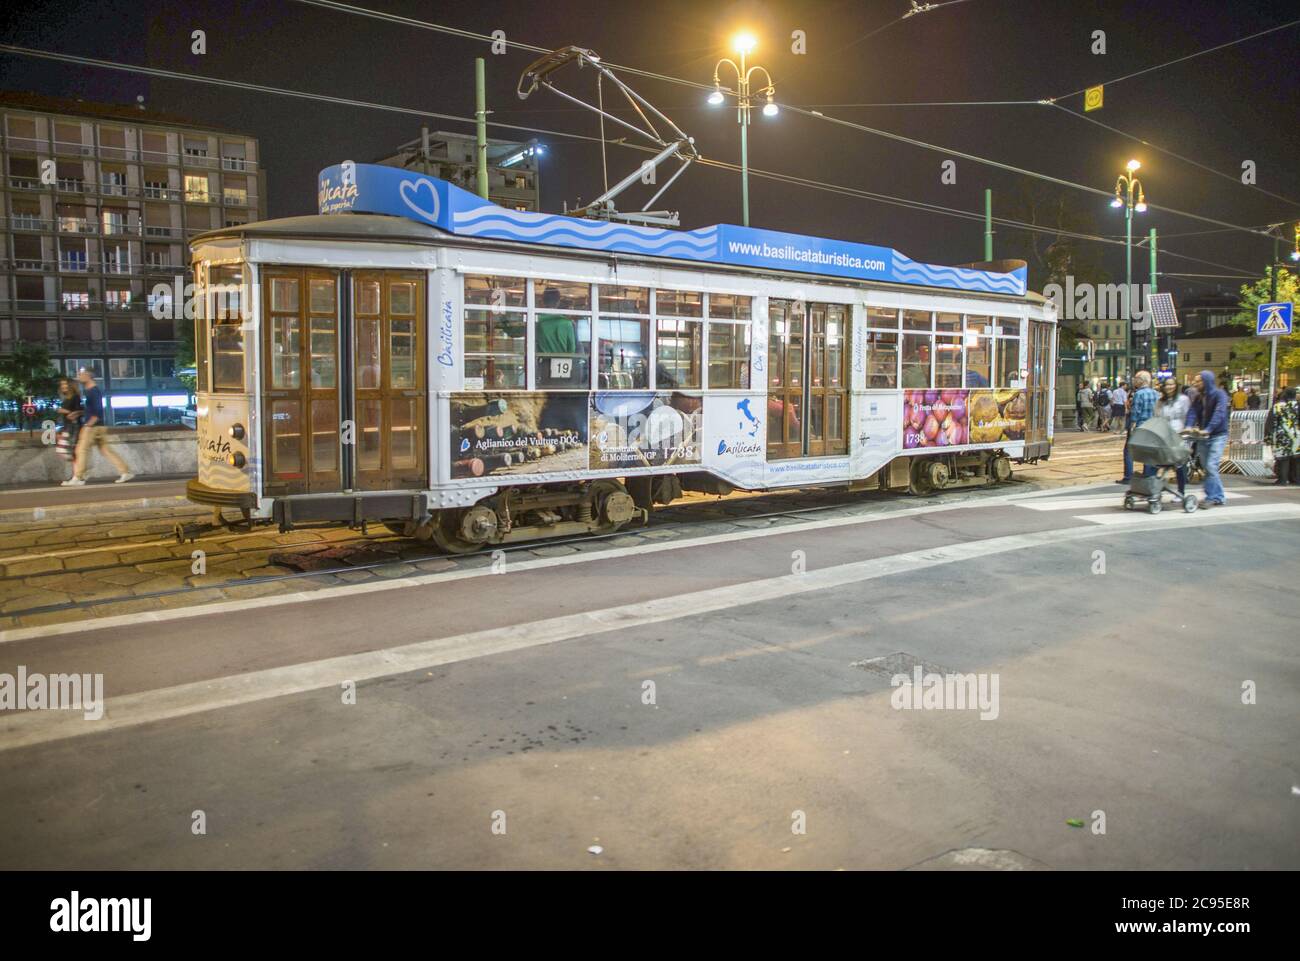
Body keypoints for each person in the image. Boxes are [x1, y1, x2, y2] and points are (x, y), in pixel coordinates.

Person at [66, 368, 133, 485]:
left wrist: (88, 425)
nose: (78, 376)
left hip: (93, 426)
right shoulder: (90, 390)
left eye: (80, 374)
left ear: (88, 375)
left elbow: (97, 411)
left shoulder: (93, 391)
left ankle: (78, 477)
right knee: (106, 450)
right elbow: (91, 410)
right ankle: (125, 472)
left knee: (80, 450)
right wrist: (79, 413)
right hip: (99, 426)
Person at [1187, 369, 1230, 508]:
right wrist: (1188, 425)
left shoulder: (1219, 394)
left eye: (1199, 381)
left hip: (1217, 435)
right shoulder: (1199, 397)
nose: (1196, 383)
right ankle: (1218, 496)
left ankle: (1212, 496)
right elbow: (1193, 411)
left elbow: (1220, 413)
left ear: (1207, 381)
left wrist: (1208, 429)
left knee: (1211, 466)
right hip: (1203, 436)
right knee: (1207, 467)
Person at [1119, 370, 1159, 483]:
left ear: (1141, 381)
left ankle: (1128, 477)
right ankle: (1147, 476)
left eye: (1136, 378)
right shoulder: (1156, 393)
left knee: (1128, 451)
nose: (1134, 380)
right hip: (1152, 427)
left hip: (1140, 427)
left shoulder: (1139, 394)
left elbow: (1135, 413)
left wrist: (1131, 427)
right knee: (1148, 452)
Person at [1155, 374, 1191, 495]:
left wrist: (1187, 433)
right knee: (1162, 463)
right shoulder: (1160, 401)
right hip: (1165, 436)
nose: (1169, 387)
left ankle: (1181, 491)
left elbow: (1188, 417)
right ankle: (1157, 488)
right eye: (1167, 385)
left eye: (1172, 384)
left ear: (1176, 386)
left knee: (1179, 466)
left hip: (1180, 436)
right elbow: (1158, 417)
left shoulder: (1183, 399)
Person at [1265, 387, 1299, 485]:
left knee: (1283, 459)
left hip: (1281, 436)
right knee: (1296, 459)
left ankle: (1282, 479)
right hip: (1297, 435)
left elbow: (1270, 423)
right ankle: (1296, 479)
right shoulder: (1297, 405)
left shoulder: (1278, 406)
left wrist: (1268, 437)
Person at [55, 377, 83, 482]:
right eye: (62, 385)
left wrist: (64, 411)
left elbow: (78, 411)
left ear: (71, 386)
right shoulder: (67, 398)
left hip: (73, 427)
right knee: (65, 451)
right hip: (67, 427)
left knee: (70, 452)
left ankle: (77, 476)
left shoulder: (75, 397)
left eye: (65, 384)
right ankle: (77, 475)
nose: (63, 387)